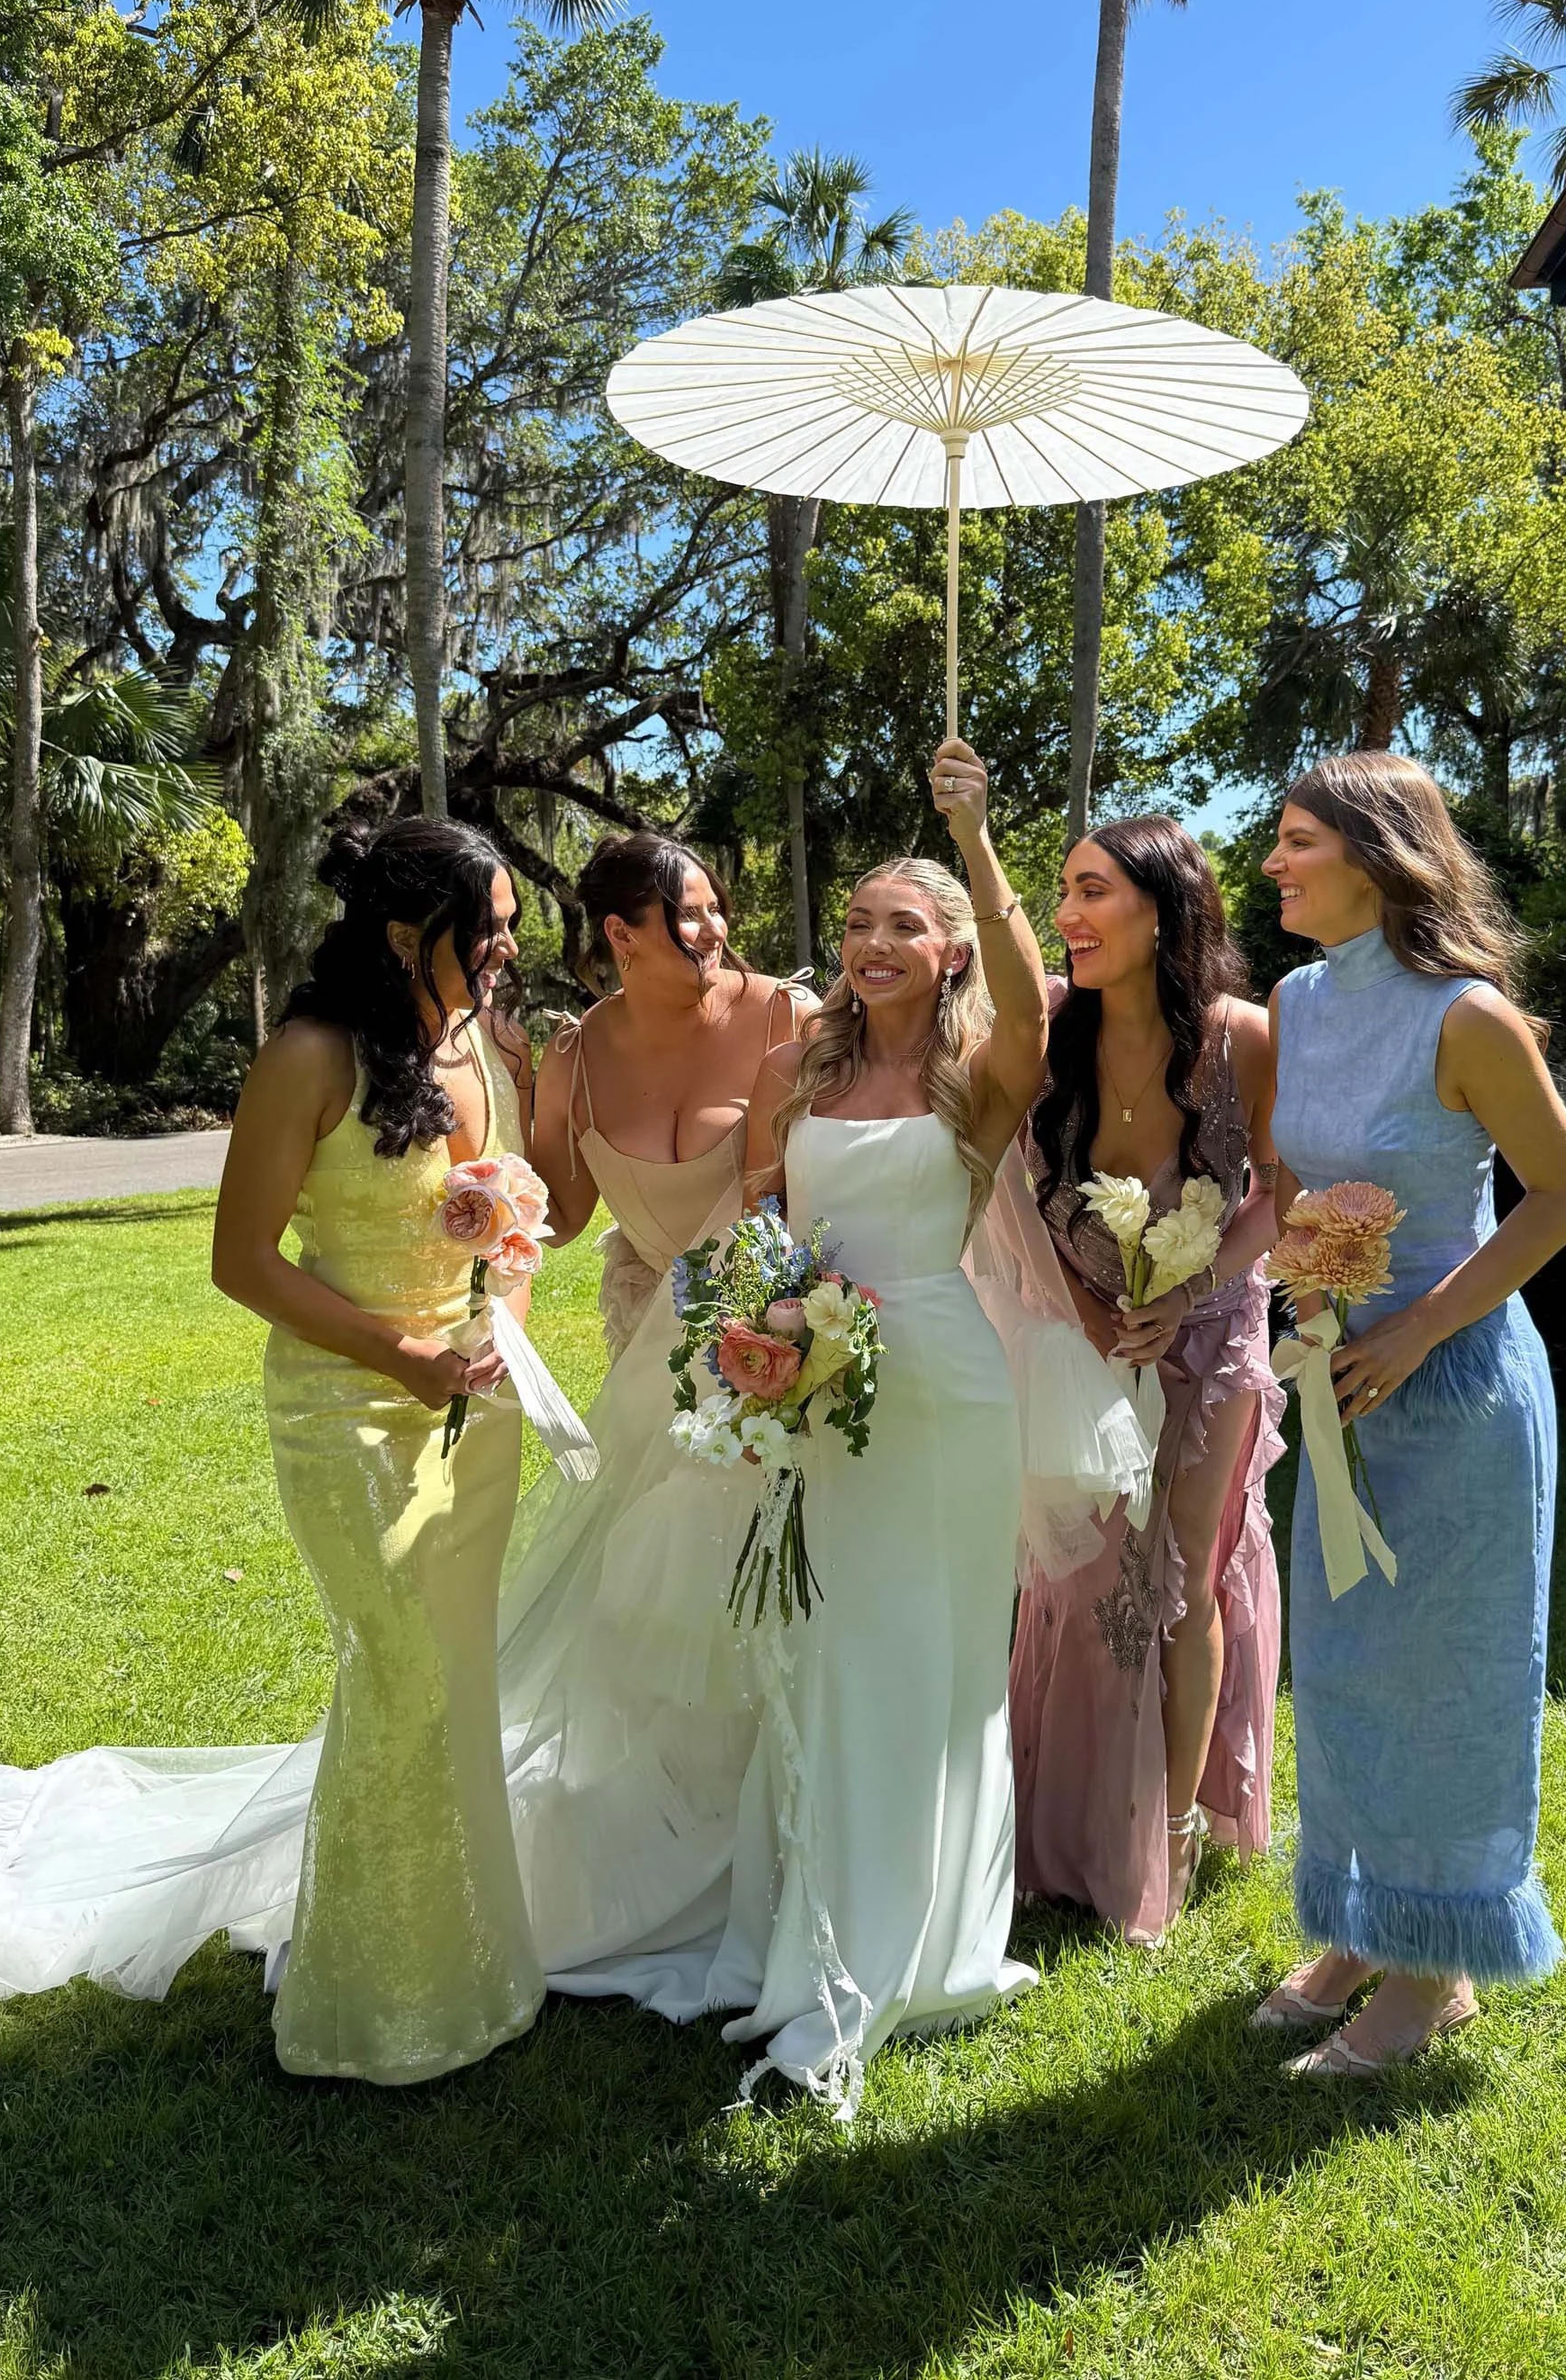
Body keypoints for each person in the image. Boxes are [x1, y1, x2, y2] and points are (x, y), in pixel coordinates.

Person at [0, 821, 553, 2087]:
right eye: (488, 924)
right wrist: (404, 1357)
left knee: (455, 1680)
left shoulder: (486, 1043)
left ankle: (474, 1965)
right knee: (397, 1678)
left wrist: (499, 1275)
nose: (509, 945)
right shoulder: (307, 1056)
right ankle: (374, 2008)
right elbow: (243, 1261)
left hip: (475, 1410)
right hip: (350, 1416)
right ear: (406, 933)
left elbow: (499, 1206)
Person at [493, 739, 1053, 2112]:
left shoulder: (976, 1083)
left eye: (902, 926)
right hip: (810, 1388)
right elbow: (760, 1227)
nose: (869, 943)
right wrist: (759, 1343)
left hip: (940, 1393)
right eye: (857, 922)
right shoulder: (804, 1069)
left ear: (952, 952)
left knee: (929, 1668)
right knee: (824, 1660)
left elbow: (1036, 1006)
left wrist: (973, 844)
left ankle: (923, 1945)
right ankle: (807, 1929)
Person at [1253, 753, 1566, 2076]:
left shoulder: (1466, 1019)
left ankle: (1435, 1969)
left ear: (1378, 854)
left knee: (1443, 1672)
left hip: (1450, 1384)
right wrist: (1310, 1293)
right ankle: (1359, 1921)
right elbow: (1299, 1171)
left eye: (1295, 842)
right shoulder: (1291, 998)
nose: (1274, 864)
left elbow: (1565, 1197)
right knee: (1342, 1666)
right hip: (1336, 1378)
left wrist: (1412, 1325)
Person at [1009, 818, 1284, 1944]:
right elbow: (1022, 1195)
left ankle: (1168, 1835)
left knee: (1181, 1573)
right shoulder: (1049, 1038)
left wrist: (1192, 1288)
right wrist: (1087, 1312)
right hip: (1081, 1334)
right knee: (1081, 1578)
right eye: (1063, 892)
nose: (1068, 916)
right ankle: (1059, 1821)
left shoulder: (1246, 1039)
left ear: (1163, 911)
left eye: (1091, 892)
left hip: (1213, 1336)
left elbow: (1276, 1193)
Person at [530, 833, 815, 1358]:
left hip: (789, 1335)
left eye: (716, 910)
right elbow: (559, 1218)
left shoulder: (790, 1017)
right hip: (655, 1345)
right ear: (621, 933)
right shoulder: (573, 1061)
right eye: (690, 915)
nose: (714, 931)